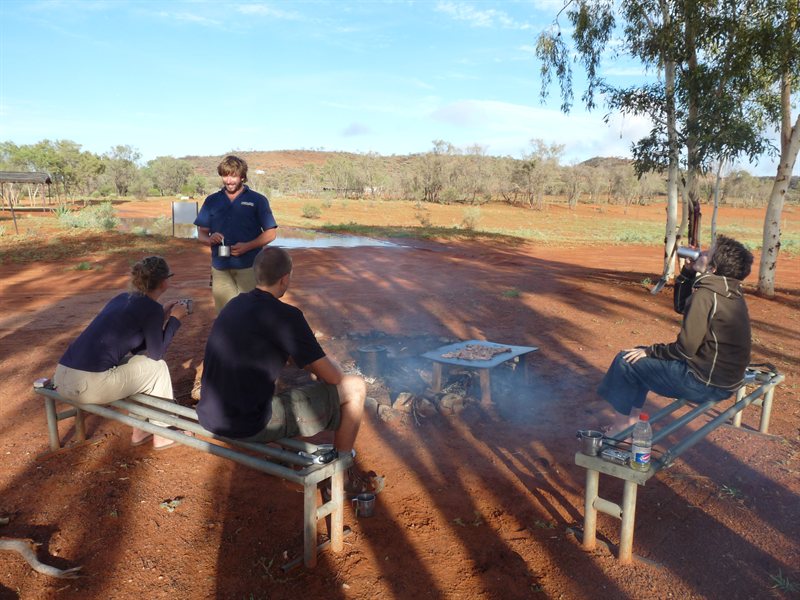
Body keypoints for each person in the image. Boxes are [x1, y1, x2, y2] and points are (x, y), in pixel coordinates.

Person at [197, 247, 380, 494]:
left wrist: (304, 356)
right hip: (247, 424)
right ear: (285, 278)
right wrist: (322, 358)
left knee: (282, 387)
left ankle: (287, 457)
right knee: (355, 387)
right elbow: (334, 377)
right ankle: (343, 475)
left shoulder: (234, 305)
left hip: (209, 414)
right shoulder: (288, 316)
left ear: (256, 274)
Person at [597, 235, 753, 434]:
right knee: (641, 359)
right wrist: (688, 272)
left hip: (704, 384)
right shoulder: (729, 290)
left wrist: (651, 351)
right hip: (724, 381)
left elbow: (686, 349)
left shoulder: (707, 295)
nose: (700, 253)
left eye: (707, 253)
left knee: (625, 361)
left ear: (712, 268)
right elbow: (682, 306)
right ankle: (631, 424)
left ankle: (619, 430)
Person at [53, 256, 190, 450]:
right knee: (157, 368)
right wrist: (175, 320)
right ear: (163, 281)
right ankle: (164, 432)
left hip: (61, 378)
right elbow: (156, 354)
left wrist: (161, 316)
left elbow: (139, 349)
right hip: (87, 386)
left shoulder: (121, 298)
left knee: (139, 364)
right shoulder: (151, 309)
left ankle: (140, 430)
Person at [195, 155, 278, 313]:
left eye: (233, 175)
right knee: (225, 313)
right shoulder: (212, 200)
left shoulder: (258, 200)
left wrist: (248, 246)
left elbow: (271, 233)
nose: (229, 180)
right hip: (220, 268)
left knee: (251, 312)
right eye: (225, 175)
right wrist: (210, 239)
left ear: (242, 176)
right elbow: (202, 235)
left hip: (249, 267)